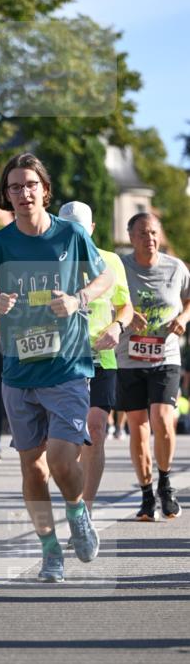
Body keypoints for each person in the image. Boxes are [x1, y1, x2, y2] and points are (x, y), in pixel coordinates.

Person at [0, 153, 114, 582]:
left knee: (62, 460)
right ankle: (51, 551)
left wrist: (78, 299)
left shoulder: (70, 235)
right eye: (15, 187)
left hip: (67, 365)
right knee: (32, 467)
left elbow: (103, 277)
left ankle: (78, 511)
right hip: (17, 370)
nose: (23, 193)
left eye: (30, 184)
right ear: (7, 195)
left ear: (44, 190)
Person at [58, 201, 133, 514]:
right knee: (66, 440)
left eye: (80, 228)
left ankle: (85, 509)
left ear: (90, 229)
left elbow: (125, 307)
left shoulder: (110, 261)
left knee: (97, 430)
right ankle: (71, 499)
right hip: (61, 359)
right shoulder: (49, 260)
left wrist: (117, 327)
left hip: (102, 358)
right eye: (68, 228)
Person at [115, 212, 190, 520]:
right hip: (129, 357)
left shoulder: (176, 268)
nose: (150, 239)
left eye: (154, 233)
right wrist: (125, 315)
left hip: (166, 355)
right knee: (138, 428)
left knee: (162, 418)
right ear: (131, 237)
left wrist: (183, 319)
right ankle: (147, 495)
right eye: (143, 234)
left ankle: (165, 483)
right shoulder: (120, 268)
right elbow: (103, 301)